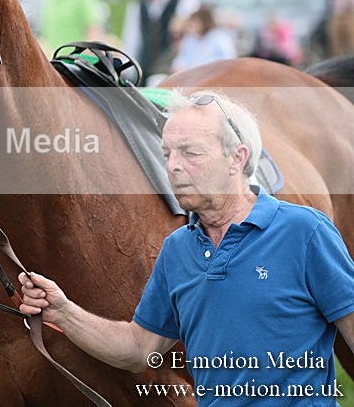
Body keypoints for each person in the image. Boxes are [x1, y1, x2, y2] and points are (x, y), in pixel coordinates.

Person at [19, 90, 354, 403]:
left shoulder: (305, 232)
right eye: (167, 153)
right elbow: (138, 348)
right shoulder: (178, 249)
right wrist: (63, 311)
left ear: (237, 158)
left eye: (190, 153)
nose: (172, 166)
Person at [122, 0, 199, 84]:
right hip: (144, 70)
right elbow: (132, 40)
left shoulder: (184, 2)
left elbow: (191, 39)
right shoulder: (137, 5)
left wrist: (181, 64)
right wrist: (127, 68)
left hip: (173, 70)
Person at [170, 5, 236, 73]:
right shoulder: (191, 39)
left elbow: (228, 60)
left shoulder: (220, 38)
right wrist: (178, 66)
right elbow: (182, 58)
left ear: (204, 22)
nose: (191, 26)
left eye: (195, 23)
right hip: (190, 76)